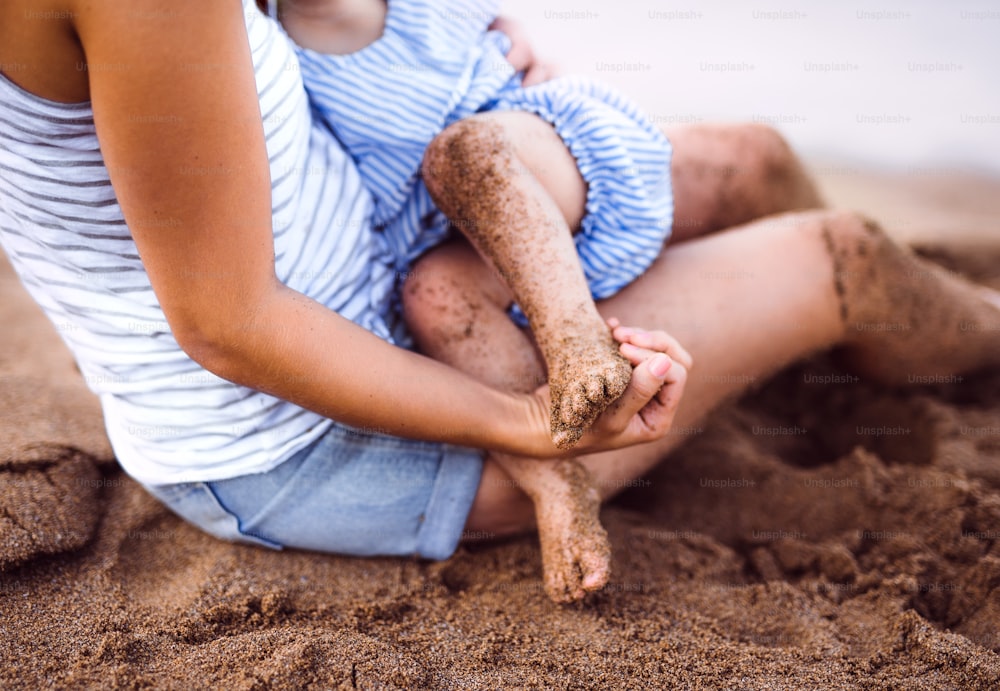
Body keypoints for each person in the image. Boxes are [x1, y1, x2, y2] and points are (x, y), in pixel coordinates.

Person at [1, 0, 998, 606]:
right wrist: (530, 426)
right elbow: (226, 324)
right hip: (310, 435)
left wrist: (448, 45)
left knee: (752, 158)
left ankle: (839, 349)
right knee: (840, 255)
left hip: (391, 234)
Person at [274, 0, 683, 602]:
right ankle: (559, 485)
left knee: (461, 152)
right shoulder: (262, 49)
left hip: (561, 169)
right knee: (430, 295)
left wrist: (509, 32)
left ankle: (578, 343)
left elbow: (496, 33)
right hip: (468, 248)